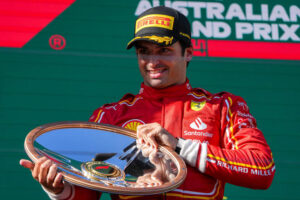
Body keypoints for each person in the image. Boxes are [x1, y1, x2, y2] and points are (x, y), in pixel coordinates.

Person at [20, 6, 275, 200]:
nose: (152, 60)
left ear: (188, 53)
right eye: (144, 51)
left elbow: (262, 169)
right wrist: (58, 189)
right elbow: (87, 193)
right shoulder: (110, 116)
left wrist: (179, 147)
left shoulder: (222, 107)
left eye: (164, 50)